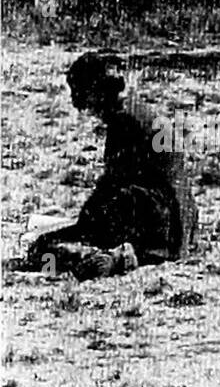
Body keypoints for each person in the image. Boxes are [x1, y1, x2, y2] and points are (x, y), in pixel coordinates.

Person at [20, 52, 198, 279]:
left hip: (159, 225)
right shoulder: (136, 110)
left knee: (48, 245)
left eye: (79, 91)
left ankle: (116, 257)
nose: (76, 102)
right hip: (181, 224)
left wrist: (75, 230)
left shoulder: (124, 122)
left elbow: (113, 188)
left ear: (95, 90)